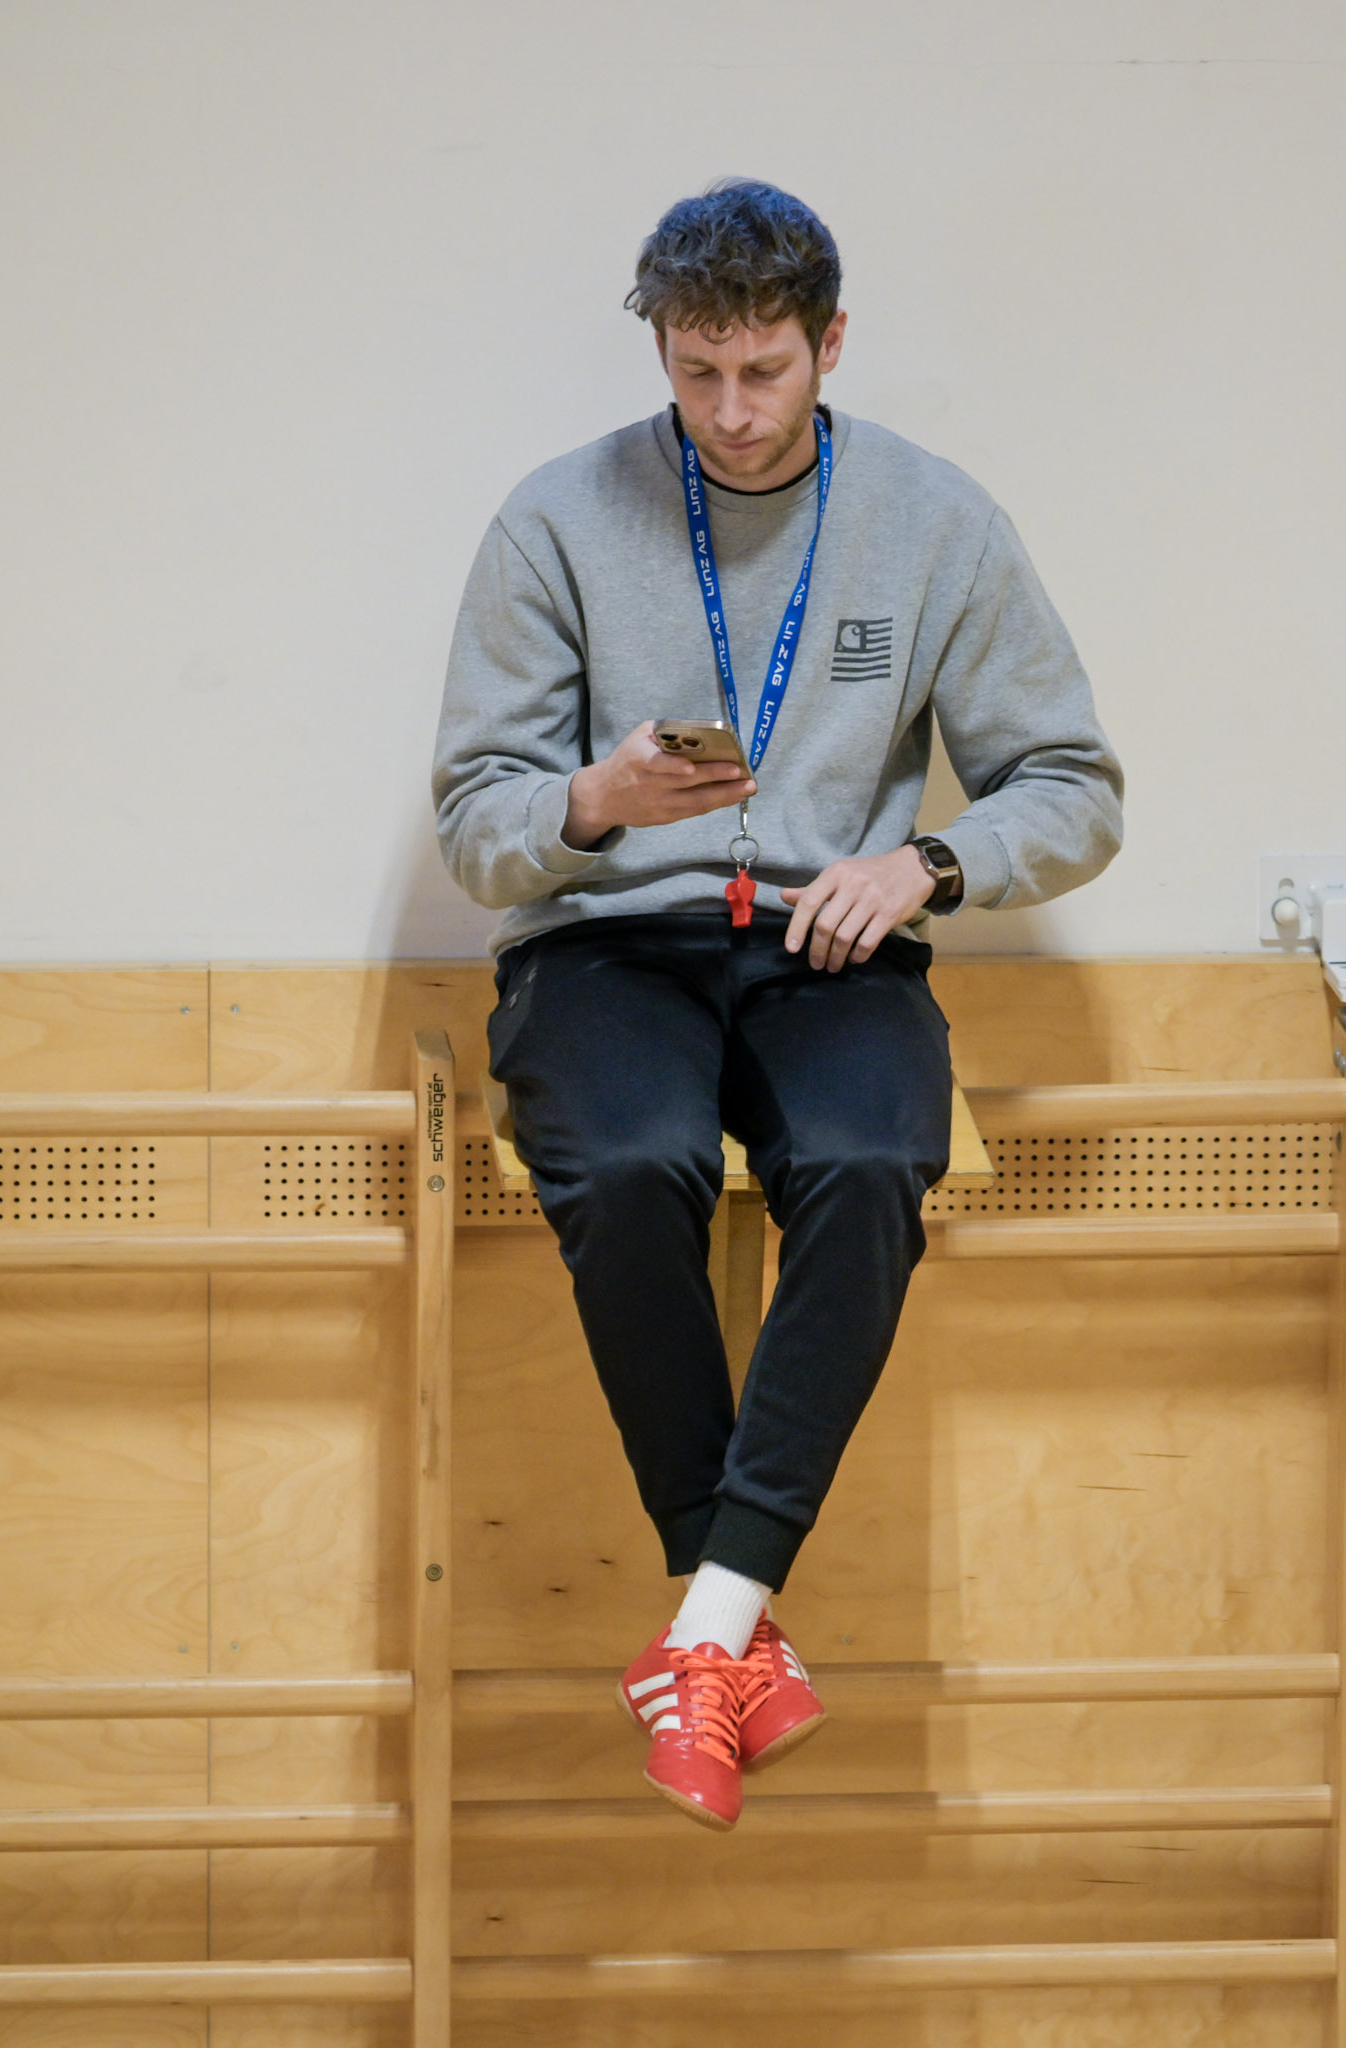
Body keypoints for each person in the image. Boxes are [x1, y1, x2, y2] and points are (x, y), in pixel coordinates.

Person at [432, 179, 1122, 1831]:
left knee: (875, 1161)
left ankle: (701, 1634)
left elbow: (1073, 786)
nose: (731, 413)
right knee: (628, 1164)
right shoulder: (554, 518)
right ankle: (728, 1617)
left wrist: (930, 864)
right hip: (608, 943)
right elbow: (474, 822)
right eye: (696, 375)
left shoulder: (935, 519)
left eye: (763, 371)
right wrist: (590, 802)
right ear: (660, 354)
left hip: (832, 939)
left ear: (828, 344)